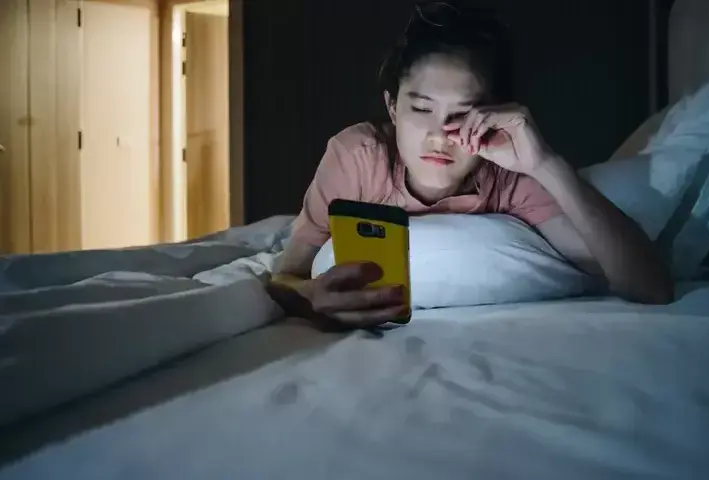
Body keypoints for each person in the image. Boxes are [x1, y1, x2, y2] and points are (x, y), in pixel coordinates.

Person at [267, 1, 674, 330]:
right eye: (421, 109)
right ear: (392, 107)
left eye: (461, 115)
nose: (439, 135)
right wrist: (311, 299)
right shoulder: (357, 158)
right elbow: (287, 275)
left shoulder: (506, 171)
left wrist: (545, 163)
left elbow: (649, 287)